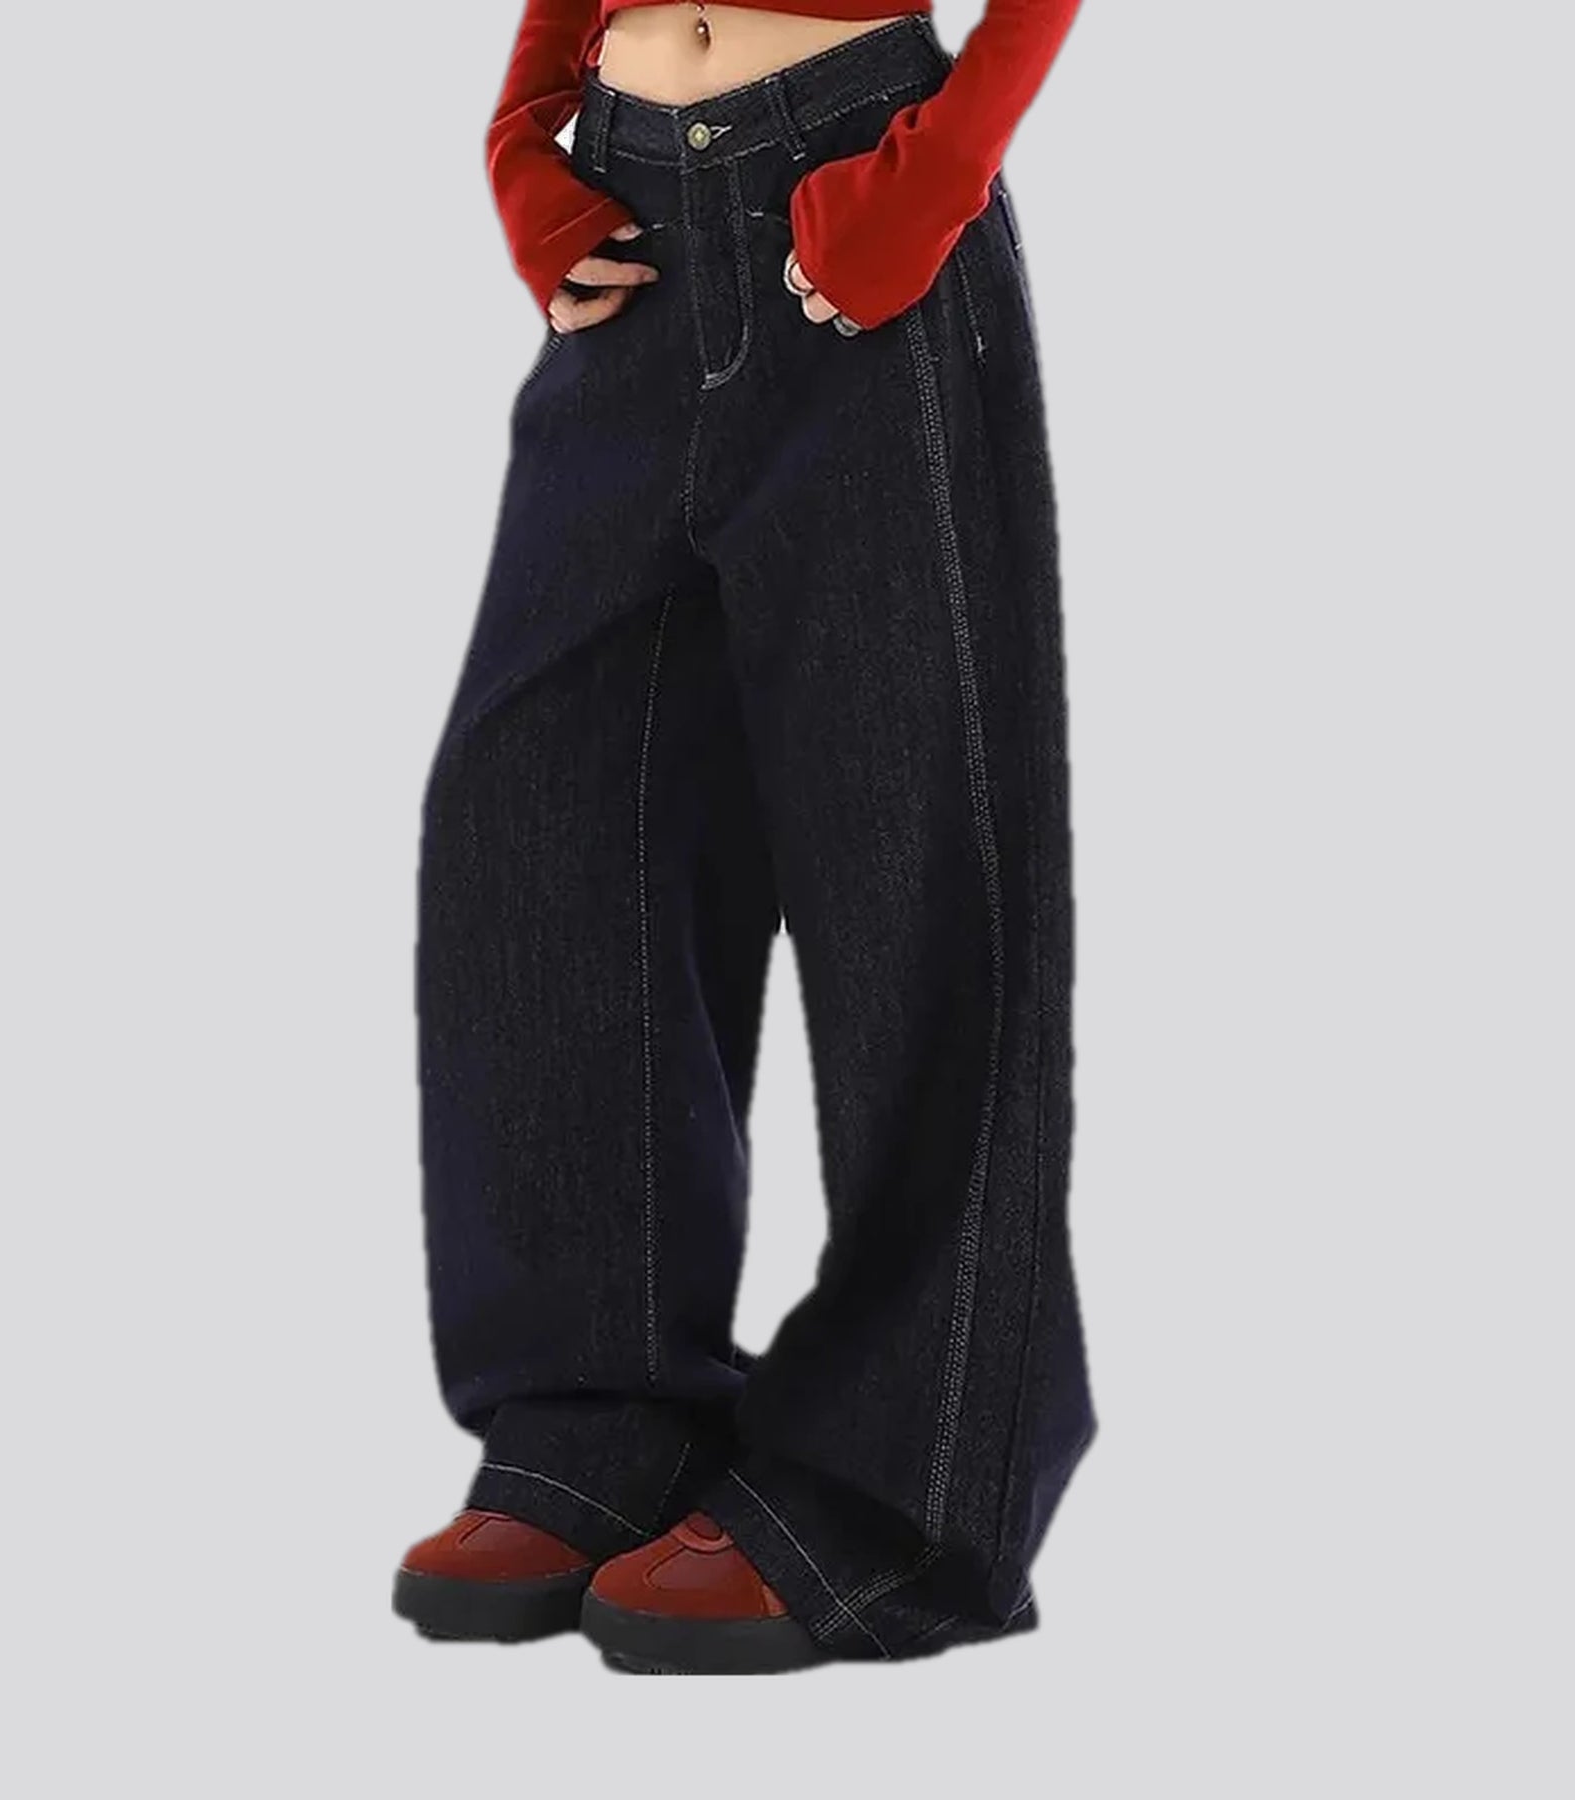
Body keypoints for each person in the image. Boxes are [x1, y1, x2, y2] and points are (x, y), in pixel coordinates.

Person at [393, 0, 1092, 1674]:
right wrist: (526, 131)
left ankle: (901, 1485)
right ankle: (602, 1414)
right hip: (633, 220)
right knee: (542, 831)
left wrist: (932, 182)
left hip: (863, 203)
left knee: (905, 857)